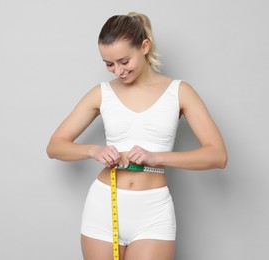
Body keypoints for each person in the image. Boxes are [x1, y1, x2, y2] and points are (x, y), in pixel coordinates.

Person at [46, 12, 227, 260]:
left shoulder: (180, 92)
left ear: (144, 47)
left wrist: (157, 158)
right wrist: (93, 150)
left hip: (153, 211)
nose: (118, 71)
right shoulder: (102, 93)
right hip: (102, 207)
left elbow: (217, 155)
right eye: (109, 64)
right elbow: (55, 146)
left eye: (124, 61)